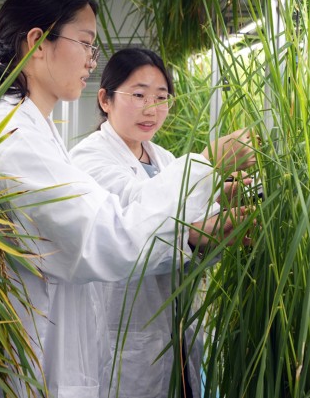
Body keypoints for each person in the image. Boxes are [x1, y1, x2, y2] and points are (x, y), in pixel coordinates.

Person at [0, 0, 255, 397]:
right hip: (35, 366)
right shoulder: (12, 138)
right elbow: (111, 235)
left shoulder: (34, 130)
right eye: (85, 43)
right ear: (37, 43)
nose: (91, 59)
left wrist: (203, 215)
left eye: (161, 97)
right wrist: (208, 167)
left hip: (69, 356)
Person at [70, 48, 253, 398]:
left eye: (161, 97)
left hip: (175, 337)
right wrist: (208, 164)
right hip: (127, 341)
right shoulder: (89, 160)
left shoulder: (162, 157)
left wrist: (220, 197)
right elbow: (142, 217)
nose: (151, 108)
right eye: (138, 95)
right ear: (105, 100)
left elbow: (177, 211)